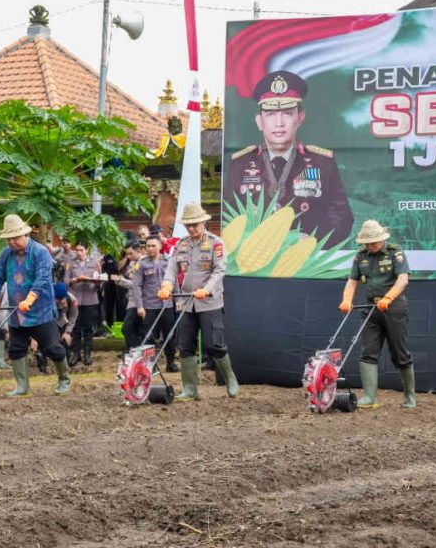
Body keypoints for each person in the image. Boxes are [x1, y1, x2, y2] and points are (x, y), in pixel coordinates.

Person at [224, 70, 354, 248]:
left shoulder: (322, 162)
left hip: (307, 262)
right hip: (255, 262)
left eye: (287, 113)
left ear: (300, 118)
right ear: (259, 121)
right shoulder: (241, 163)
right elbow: (227, 215)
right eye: (270, 114)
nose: (279, 123)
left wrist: (313, 241)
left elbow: (342, 215)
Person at [0, 214, 70, 396]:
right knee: (16, 348)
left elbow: (42, 278)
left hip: (40, 310)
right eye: (9, 239)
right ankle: (22, 387)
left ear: (25, 235)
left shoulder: (40, 252)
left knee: (51, 348)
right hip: (17, 311)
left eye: (15, 238)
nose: (12, 242)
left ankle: (64, 379)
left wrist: (31, 298)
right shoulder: (6, 254)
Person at [159, 203, 237, 400]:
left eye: (195, 224)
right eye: (188, 225)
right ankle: (190, 389)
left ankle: (230, 379)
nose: (191, 228)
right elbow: (171, 269)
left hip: (209, 302)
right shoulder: (181, 244)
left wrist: (207, 289)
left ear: (204, 222)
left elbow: (220, 270)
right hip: (186, 302)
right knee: (185, 345)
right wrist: (166, 286)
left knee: (214, 345)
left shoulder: (215, 243)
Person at [338, 220, 415, 408]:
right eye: (367, 243)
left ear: (382, 239)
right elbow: (352, 281)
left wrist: (388, 298)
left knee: (400, 353)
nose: (370, 246)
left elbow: (403, 280)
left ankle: (409, 397)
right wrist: (347, 299)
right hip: (370, 308)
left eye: (374, 243)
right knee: (368, 352)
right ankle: (369, 398)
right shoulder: (360, 256)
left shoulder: (395, 253)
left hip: (393, 307)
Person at [132, 235, 178, 372]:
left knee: (169, 334)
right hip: (149, 306)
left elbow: (173, 281)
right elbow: (136, 286)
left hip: (167, 305)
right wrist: (139, 306)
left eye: (153, 246)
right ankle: (150, 365)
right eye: (148, 246)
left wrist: (179, 300)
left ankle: (171, 362)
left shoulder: (169, 261)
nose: (150, 249)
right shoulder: (141, 264)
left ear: (160, 246)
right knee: (149, 336)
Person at [65, 241, 101, 367]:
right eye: (77, 250)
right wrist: (74, 280)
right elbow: (65, 281)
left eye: (82, 250)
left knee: (88, 328)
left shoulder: (94, 263)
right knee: (75, 328)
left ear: (87, 250)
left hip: (90, 299)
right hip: (75, 299)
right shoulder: (70, 264)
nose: (79, 253)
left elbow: (99, 280)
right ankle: (75, 353)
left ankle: (87, 353)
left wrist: (94, 282)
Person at [34, 283, 78, 373]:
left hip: (64, 320)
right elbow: (39, 317)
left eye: (61, 299)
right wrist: (34, 337)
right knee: (46, 339)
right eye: (57, 299)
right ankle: (43, 362)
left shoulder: (72, 300)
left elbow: (73, 317)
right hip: (48, 319)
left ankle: (64, 364)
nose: (59, 301)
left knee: (65, 340)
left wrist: (68, 332)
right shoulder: (45, 299)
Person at [113, 240, 144, 351]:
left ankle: (136, 350)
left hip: (140, 300)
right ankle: (132, 351)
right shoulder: (132, 263)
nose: (129, 256)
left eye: (131, 253)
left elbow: (138, 285)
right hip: (131, 299)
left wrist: (122, 281)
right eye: (127, 254)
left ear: (139, 251)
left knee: (127, 328)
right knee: (133, 328)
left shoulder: (143, 263)